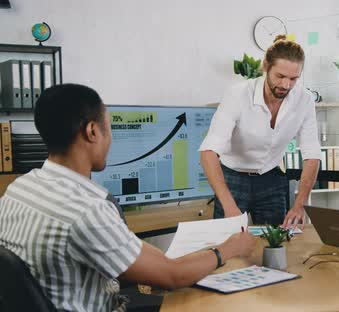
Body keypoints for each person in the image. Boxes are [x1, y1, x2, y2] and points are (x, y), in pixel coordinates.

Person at [0, 84, 256, 312]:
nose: (111, 139)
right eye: (109, 128)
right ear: (92, 131)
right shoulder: (87, 211)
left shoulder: (18, 189)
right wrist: (230, 247)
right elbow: (173, 276)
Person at [199, 35, 321, 228]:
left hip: (271, 178)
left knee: (274, 243)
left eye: (293, 79)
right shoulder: (237, 95)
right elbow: (208, 152)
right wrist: (229, 206)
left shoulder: (304, 100)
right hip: (233, 177)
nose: (285, 85)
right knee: (227, 242)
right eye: (280, 76)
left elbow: (312, 154)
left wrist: (300, 204)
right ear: (266, 66)